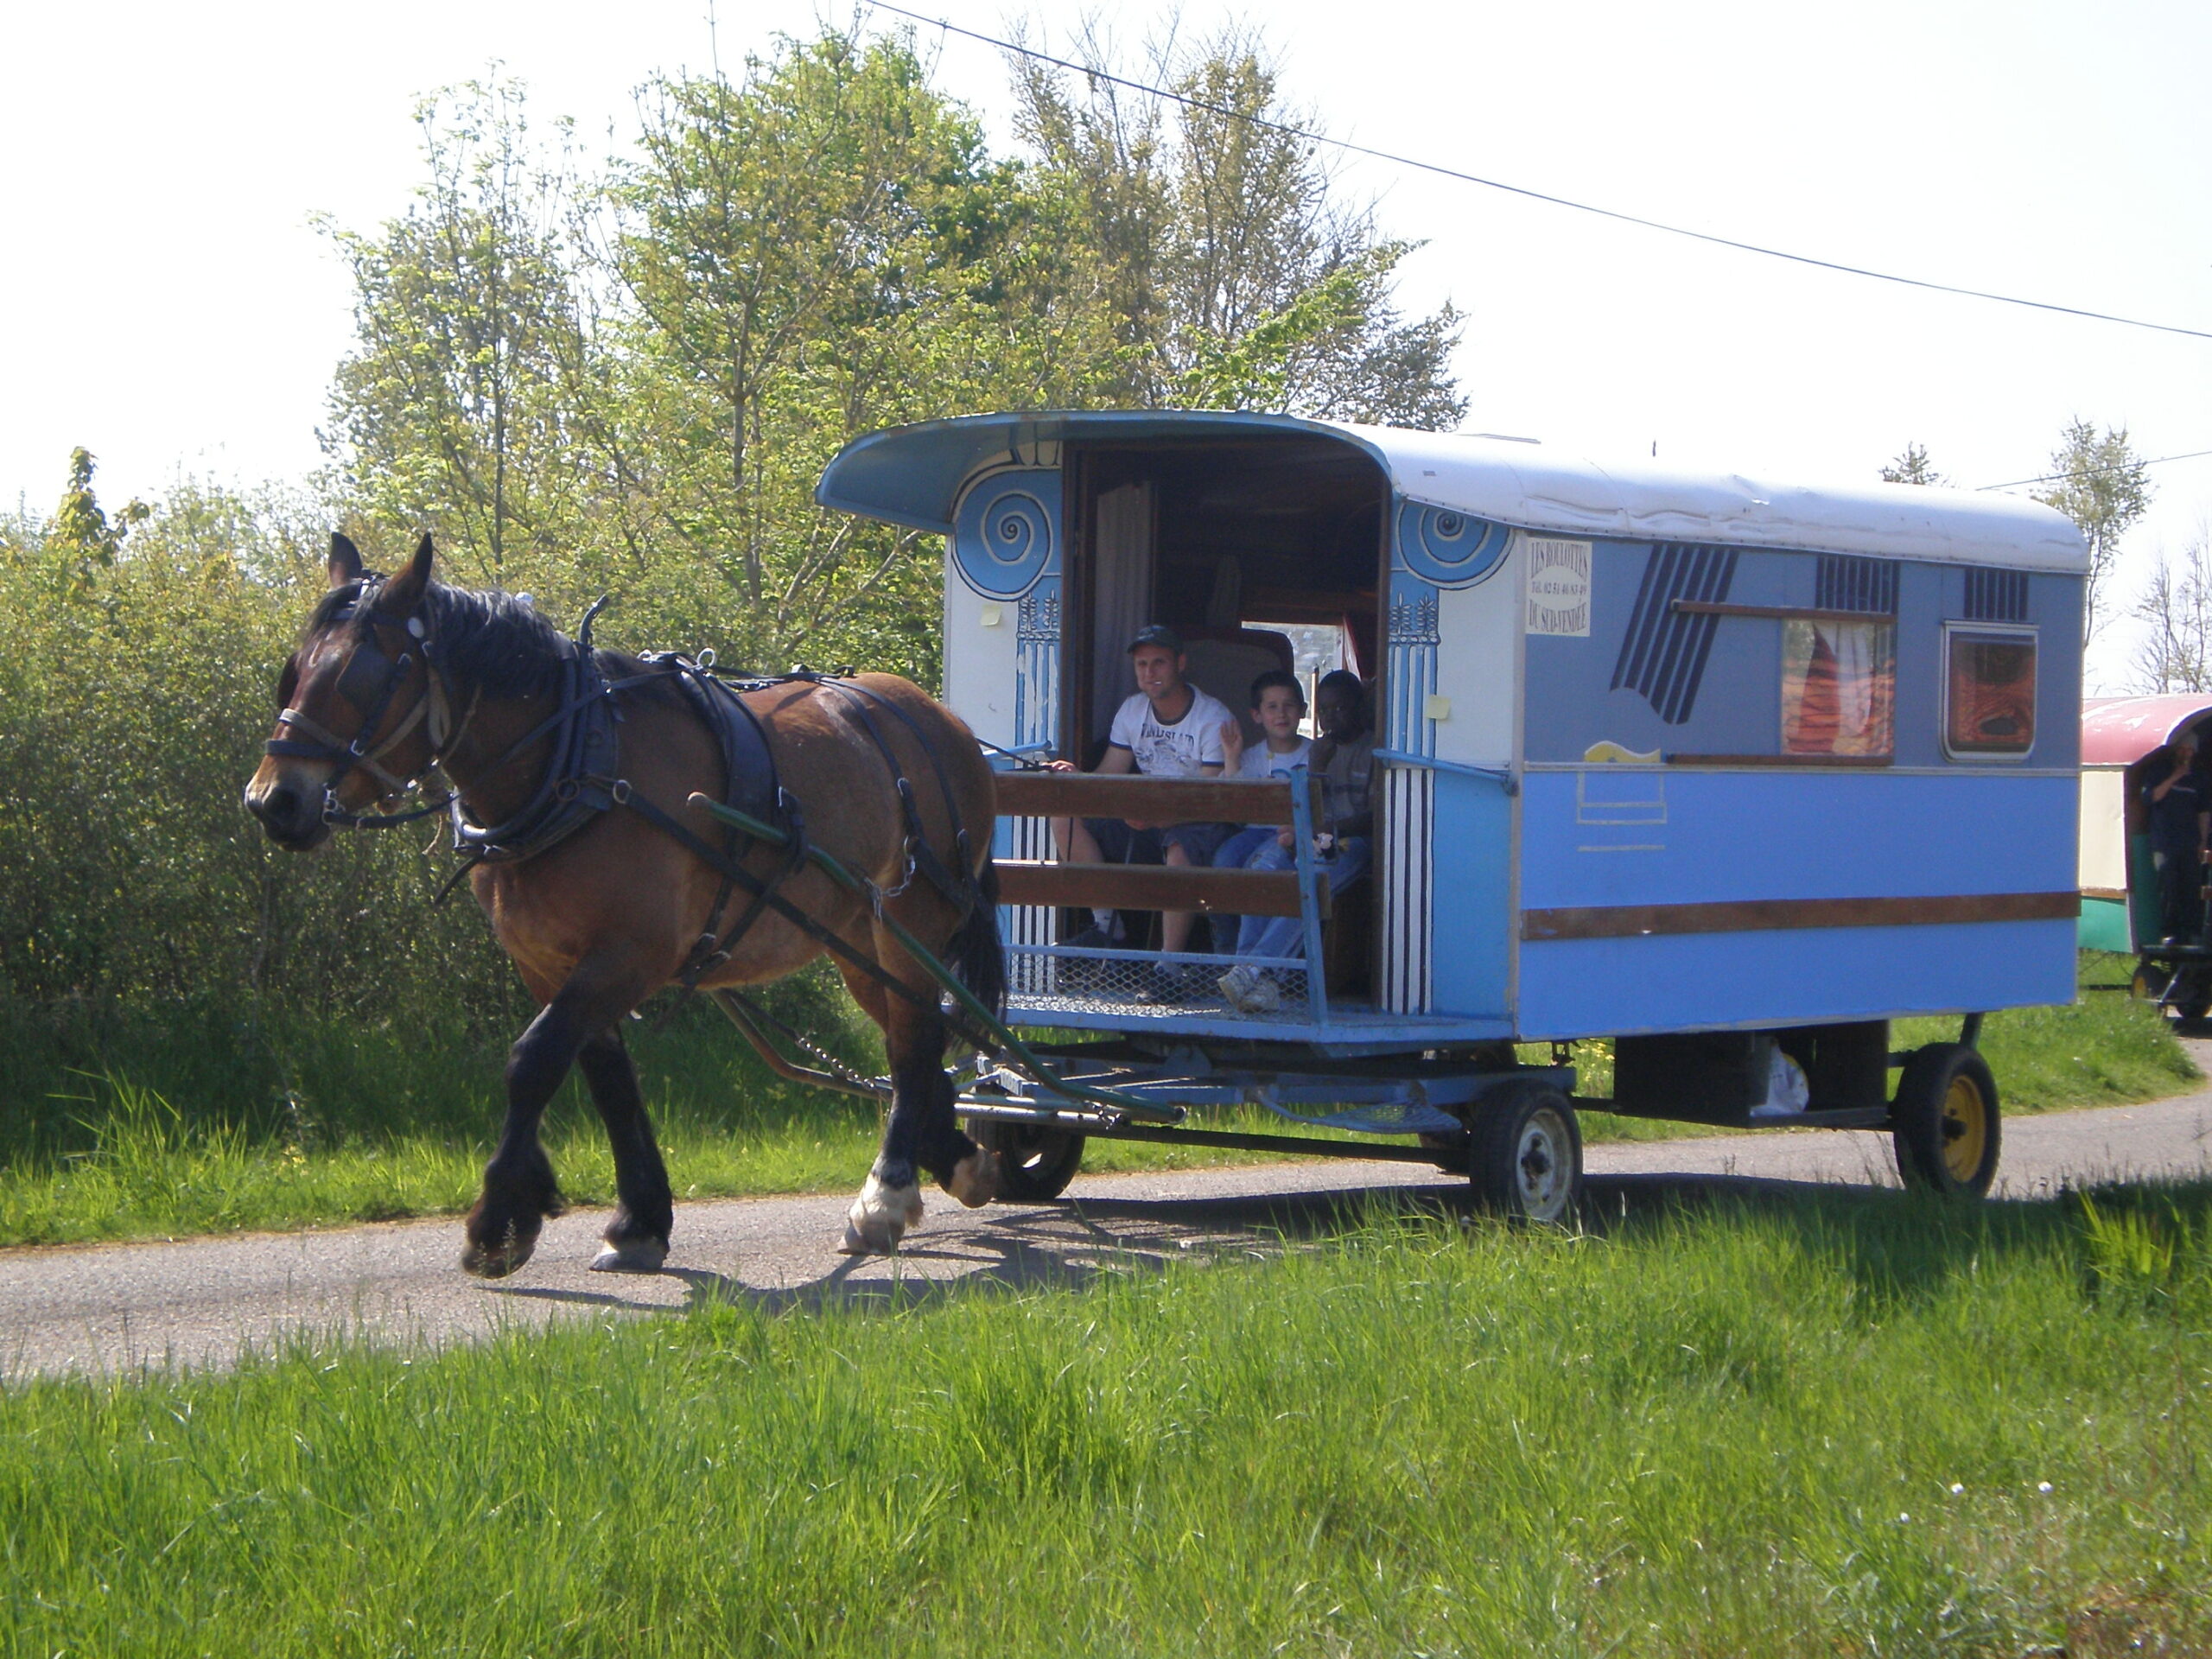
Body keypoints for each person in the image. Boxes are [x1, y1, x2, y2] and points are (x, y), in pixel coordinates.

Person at [1047, 624, 1237, 1002]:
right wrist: (1077, 779)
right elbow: (1110, 775)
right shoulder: (1132, 710)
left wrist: (1155, 818)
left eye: (1159, 663)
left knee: (1179, 850)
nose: (1149, 673)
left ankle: (1168, 969)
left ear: (1180, 664)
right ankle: (1108, 927)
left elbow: (1207, 798)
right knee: (1065, 818)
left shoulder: (1212, 716)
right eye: (1142, 665)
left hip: (1196, 823)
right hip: (1144, 818)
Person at [1217, 669, 1376, 1014]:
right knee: (1271, 869)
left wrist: (1330, 830)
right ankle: (1258, 979)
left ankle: (1254, 968)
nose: (1332, 718)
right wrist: (1317, 768)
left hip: (1356, 842)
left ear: (1360, 709)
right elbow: (1308, 806)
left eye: (1341, 709)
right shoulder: (1319, 751)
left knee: (1313, 880)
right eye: (1326, 712)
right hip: (1315, 835)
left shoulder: (1372, 749)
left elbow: (1374, 816)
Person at [1210, 670, 1314, 955]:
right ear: (1256, 715)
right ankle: (1225, 950)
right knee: (1222, 863)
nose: (1281, 714)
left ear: (1303, 710)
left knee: (1261, 870)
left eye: (1289, 705)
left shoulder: (1314, 755)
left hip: (1287, 834)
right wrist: (1231, 757)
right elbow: (1233, 807)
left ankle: (1253, 955)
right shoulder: (1251, 756)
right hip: (1253, 831)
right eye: (1271, 707)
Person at [2147, 733, 2209, 944]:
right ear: (2175, 750)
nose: (2186, 754)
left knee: (2191, 887)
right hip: (2164, 842)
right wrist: (2175, 776)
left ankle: (2191, 932)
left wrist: (2202, 840)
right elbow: (2152, 797)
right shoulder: (2159, 771)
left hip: (2189, 841)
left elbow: (2203, 811)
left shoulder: (2199, 778)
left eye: (2190, 750)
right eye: (2183, 749)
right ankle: (2169, 932)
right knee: (2168, 885)